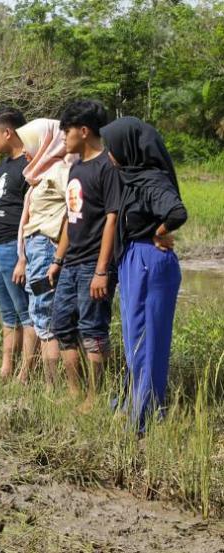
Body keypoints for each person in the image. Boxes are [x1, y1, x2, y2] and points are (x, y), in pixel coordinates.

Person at [102, 116, 187, 432]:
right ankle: (132, 407)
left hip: (150, 262)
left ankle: (145, 418)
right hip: (136, 261)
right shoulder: (131, 177)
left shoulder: (151, 178)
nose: (108, 152)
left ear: (128, 147)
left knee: (148, 340)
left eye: (112, 145)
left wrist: (159, 231)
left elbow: (177, 212)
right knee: (135, 339)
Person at [49, 100, 121, 410]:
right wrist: (57, 259)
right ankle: (74, 391)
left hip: (94, 263)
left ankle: (95, 396)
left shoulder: (108, 165)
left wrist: (102, 270)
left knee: (93, 330)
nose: (63, 137)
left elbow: (112, 217)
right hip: (71, 262)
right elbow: (71, 215)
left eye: (66, 132)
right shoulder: (76, 166)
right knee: (62, 324)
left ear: (83, 130)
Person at [13, 118, 75, 387]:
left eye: (28, 144)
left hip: (46, 248)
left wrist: (56, 253)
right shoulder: (40, 173)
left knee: (44, 316)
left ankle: (52, 386)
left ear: (44, 143)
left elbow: (71, 212)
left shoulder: (60, 170)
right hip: (36, 249)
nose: (25, 150)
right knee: (39, 313)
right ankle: (51, 384)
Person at [0, 107, 35, 382]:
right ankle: (6, 368)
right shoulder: (4, 165)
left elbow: (31, 213)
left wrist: (23, 256)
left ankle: (26, 371)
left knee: (25, 312)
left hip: (14, 249)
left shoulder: (29, 164)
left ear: (8, 132)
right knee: (6, 312)